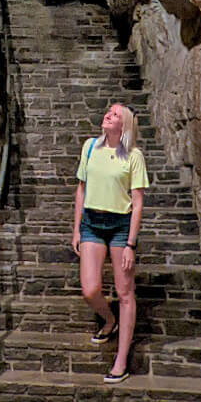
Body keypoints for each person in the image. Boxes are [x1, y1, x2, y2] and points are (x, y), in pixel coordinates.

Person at [71, 102, 149, 382]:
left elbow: (138, 203)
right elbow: (81, 188)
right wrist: (77, 228)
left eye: (115, 114)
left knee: (124, 292)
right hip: (91, 223)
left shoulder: (134, 155)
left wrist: (131, 244)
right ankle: (109, 319)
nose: (108, 115)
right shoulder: (90, 146)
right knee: (90, 289)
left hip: (120, 226)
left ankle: (121, 360)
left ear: (124, 125)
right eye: (108, 111)